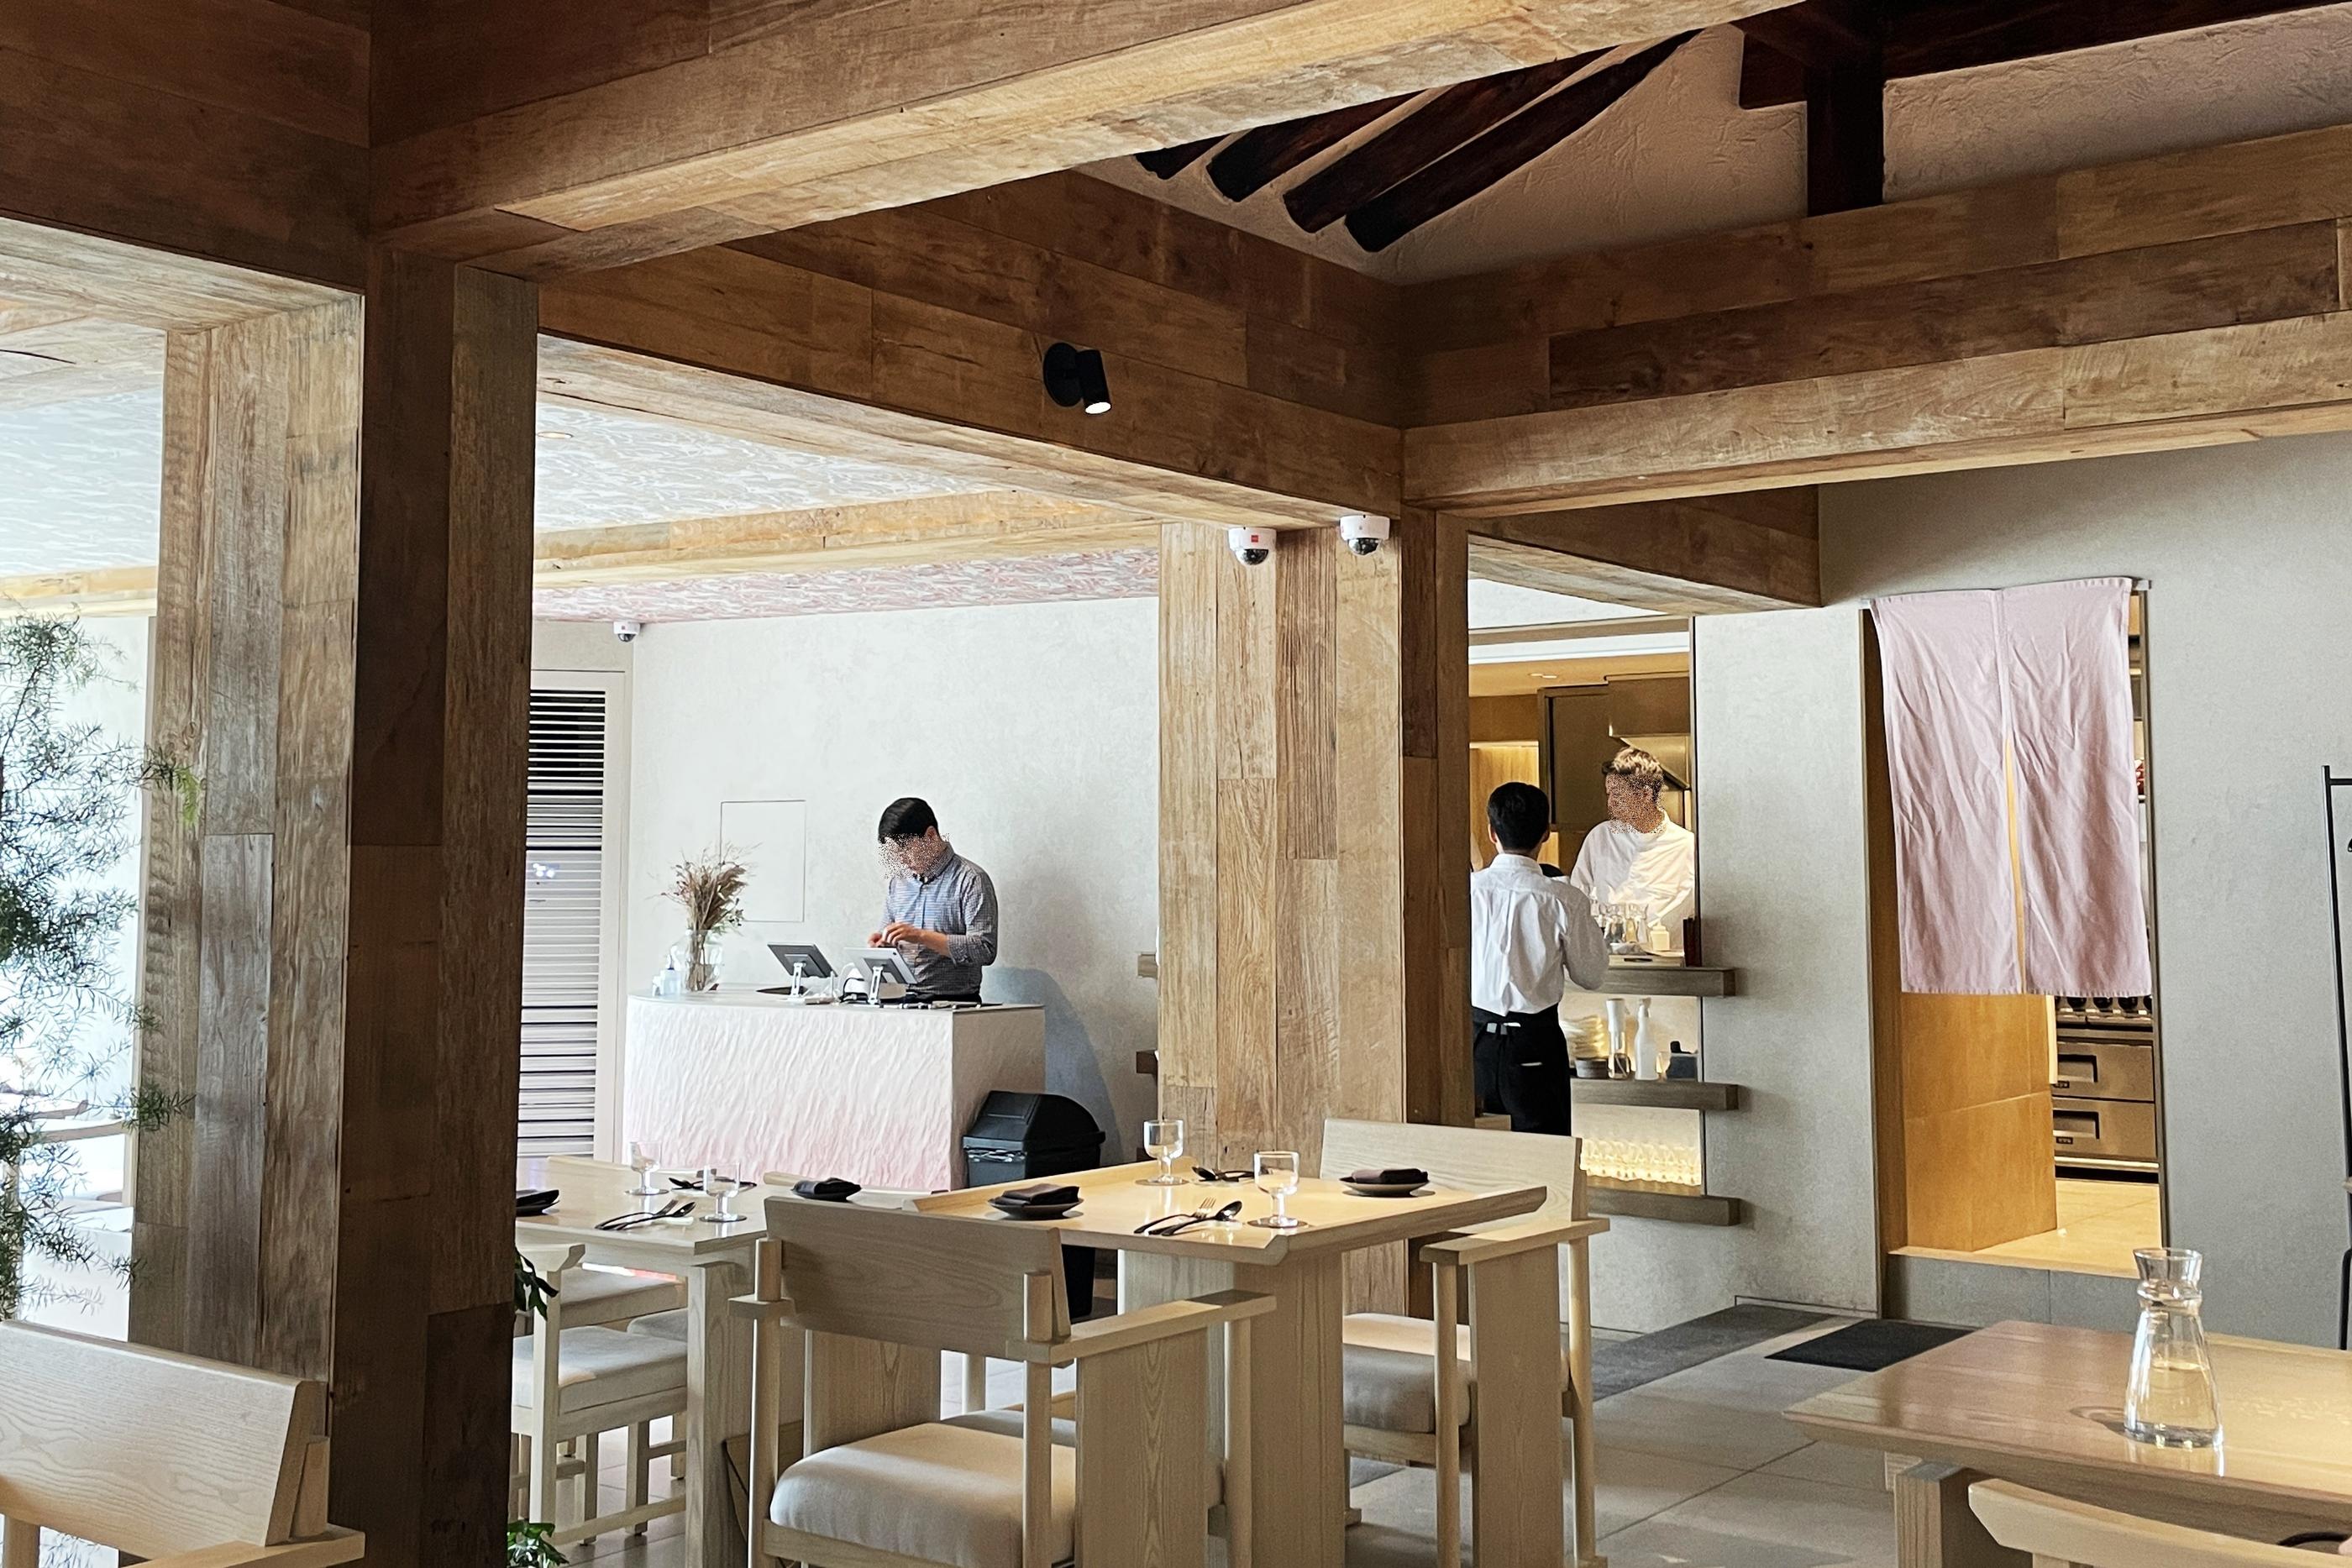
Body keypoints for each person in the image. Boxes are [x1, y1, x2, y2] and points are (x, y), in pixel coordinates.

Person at [1471, 781, 1605, 1135]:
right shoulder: (1564, 899)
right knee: (1544, 1155)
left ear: (1492, 832)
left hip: (1473, 1044)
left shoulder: (1467, 891)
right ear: (1545, 833)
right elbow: (1591, 975)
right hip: (1534, 1046)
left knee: (1476, 1153)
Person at [867, 797, 1000, 1003]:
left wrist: (921, 936)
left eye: (906, 850)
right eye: (896, 853)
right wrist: (882, 946)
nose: (902, 860)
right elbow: (887, 938)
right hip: (899, 1000)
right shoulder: (898, 883)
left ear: (930, 835)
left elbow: (984, 949)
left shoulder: (971, 879)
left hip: (954, 1005)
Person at [1567, 746, 1696, 935]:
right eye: (1609, 794)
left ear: (1645, 795)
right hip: (1610, 952)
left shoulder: (1687, 846)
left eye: (1618, 794)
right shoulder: (1600, 838)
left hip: (1669, 953)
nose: (1610, 803)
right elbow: (1578, 900)